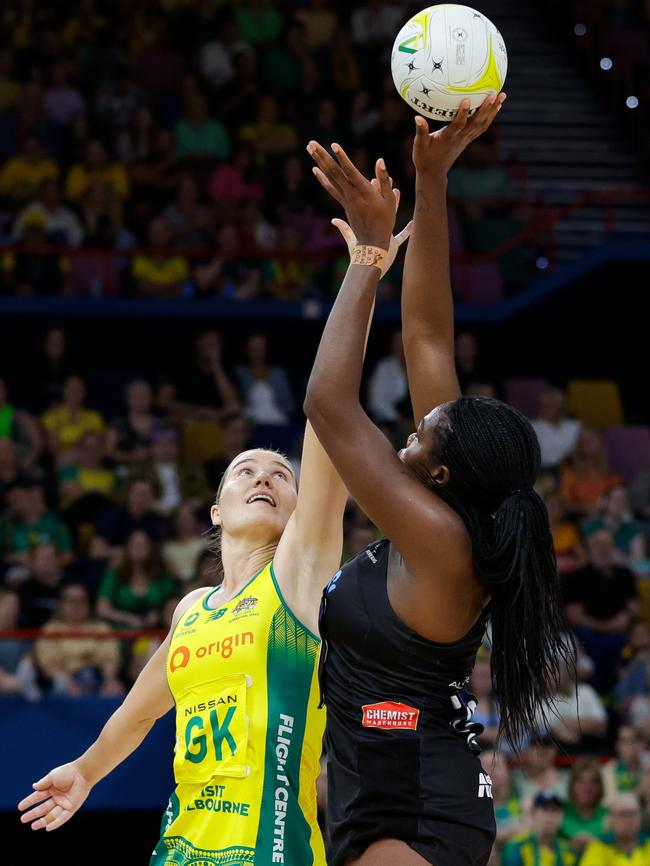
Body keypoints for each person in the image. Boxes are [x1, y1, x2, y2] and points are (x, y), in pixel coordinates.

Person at [18, 211, 411, 866]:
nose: (265, 477)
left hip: (270, 852)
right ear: (215, 512)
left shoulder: (299, 576)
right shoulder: (192, 611)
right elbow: (141, 714)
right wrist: (86, 769)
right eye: (245, 472)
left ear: (296, 510)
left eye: (281, 475)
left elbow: (330, 406)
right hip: (179, 850)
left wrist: (364, 270)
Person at [304, 96, 572, 866]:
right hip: (387, 791)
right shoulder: (446, 507)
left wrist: (368, 258)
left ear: (443, 469)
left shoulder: (441, 538)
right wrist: (432, 179)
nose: (411, 429)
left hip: (414, 808)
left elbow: (327, 401)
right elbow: (425, 333)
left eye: (422, 432)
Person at [564, 527, 640, 691]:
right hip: (590, 634)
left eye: (607, 545)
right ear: (589, 549)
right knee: (593, 641)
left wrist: (625, 616)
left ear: (613, 549)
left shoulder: (624, 574)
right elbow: (574, 616)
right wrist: (607, 626)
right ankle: (597, 690)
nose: (602, 549)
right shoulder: (574, 577)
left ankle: (623, 692)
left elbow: (634, 606)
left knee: (631, 644)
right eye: (598, 545)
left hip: (621, 631)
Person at [34, 583, 123, 697]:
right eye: (71, 600)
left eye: (82, 600)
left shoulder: (101, 628)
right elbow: (49, 663)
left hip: (97, 679)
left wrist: (110, 680)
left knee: (115, 691)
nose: (77, 605)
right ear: (61, 605)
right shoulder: (51, 629)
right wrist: (68, 682)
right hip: (64, 681)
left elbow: (110, 657)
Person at [96, 530, 178, 630]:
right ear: (127, 548)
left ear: (150, 549)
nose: (139, 549)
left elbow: (174, 604)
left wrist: (159, 614)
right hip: (122, 632)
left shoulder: (161, 575)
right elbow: (102, 609)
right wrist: (127, 618)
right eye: (135, 545)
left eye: (143, 545)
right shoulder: (115, 575)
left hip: (157, 631)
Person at [503, 792, 577, 866]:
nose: (550, 816)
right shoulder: (517, 846)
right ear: (533, 814)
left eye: (555, 810)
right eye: (545, 810)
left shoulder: (567, 849)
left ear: (562, 816)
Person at [236, 334, 295, 425]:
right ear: (247, 350)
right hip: (248, 424)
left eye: (260, 348)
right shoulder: (240, 373)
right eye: (253, 349)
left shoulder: (278, 374)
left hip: (277, 423)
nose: (257, 352)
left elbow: (289, 405)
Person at [560, 428, 621, 515]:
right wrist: (585, 508)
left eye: (592, 440)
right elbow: (564, 503)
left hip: (607, 515)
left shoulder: (609, 474)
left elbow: (619, 495)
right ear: (579, 447)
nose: (590, 444)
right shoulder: (570, 474)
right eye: (585, 441)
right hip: (581, 518)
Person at [581, 793, 650, 865]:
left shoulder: (648, 844)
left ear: (640, 817)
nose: (628, 819)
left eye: (633, 813)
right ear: (611, 820)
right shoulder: (599, 846)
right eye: (622, 814)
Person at [560, 758, 608, 852]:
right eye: (580, 782)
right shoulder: (559, 811)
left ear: (600, 786)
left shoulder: (609, 815)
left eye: (593, 782)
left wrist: (594, 844)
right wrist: (570, 846)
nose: (587, 788)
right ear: (572, 785)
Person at [531, 389, 582, 472]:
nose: (545, 408)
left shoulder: (574, 426)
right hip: (543, 471)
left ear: (560, 406)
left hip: (572, 468)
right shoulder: (533, 426)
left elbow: (581, 451)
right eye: (543, 405)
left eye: (550, 405)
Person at [367, 329, 409, 426]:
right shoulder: (383, 368)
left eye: (404, 342)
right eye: (398, 343)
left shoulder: (418, 368)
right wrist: (398, 418)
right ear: (392, 345)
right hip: (387, 421)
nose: (402, 347)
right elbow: (377, 402)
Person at [602, 726, 647, 804]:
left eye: (635, 741)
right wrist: (637, 793)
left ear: (643, 745)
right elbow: (607, 802)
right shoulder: (608, 771)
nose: (632, 746)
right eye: (625, 742)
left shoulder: (647, 769)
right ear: (617, 746)